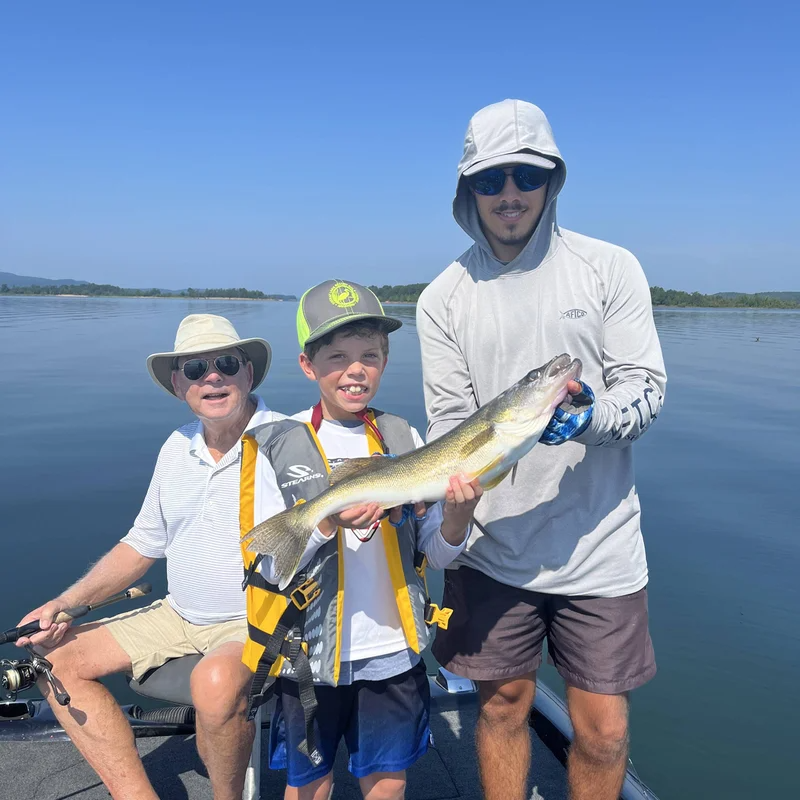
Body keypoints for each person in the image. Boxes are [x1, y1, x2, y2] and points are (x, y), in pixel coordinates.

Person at [416, 99, 668, 800]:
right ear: (468, 190)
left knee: (605, 731)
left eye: (526, 176)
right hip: (493, 547)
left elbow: (646, 390)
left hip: (602, 548)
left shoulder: (608, 268)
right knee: (498, 707)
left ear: (552, 180)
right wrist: (447, 502)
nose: (509, 194)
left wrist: (589, 419)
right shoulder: (443, 297)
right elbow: (449, 425)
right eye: (490, 179)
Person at [15, 313, 283, 800]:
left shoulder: (289, 440)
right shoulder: (175, 446)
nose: (213, 377)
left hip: (257, 620)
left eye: (225, 363)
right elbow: (141, 546)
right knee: (54, 656)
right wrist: (64, 605)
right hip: (176, 614)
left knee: (217, 681)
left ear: (249, 373)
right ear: (180, 384)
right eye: (196, 370)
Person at [238, 279, 482, 800]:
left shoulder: (405, 438)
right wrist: (327, 522)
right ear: (308, 365)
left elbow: (434, 550)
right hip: (308, 653)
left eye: (370, 355)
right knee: (308, 784)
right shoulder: (277, 443)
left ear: (386, 360)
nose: (355, 369)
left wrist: (459, 517)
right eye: (337, 356)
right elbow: (268, 566)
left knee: (388, 783)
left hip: (394, 650)